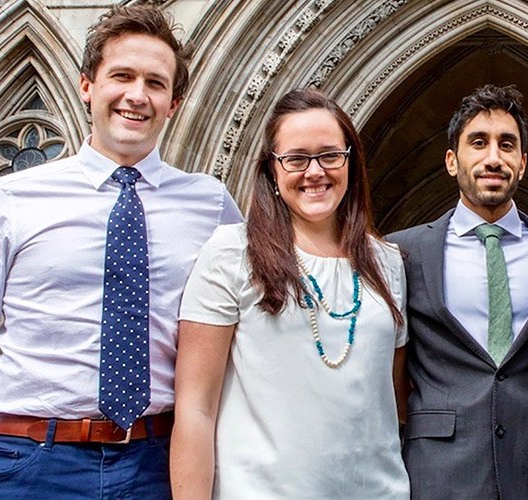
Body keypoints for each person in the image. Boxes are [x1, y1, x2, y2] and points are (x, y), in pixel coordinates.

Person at [0, 5, 242, 497]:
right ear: (87, 86)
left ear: (173, 103)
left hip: (157, 462)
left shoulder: (212, 206)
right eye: (122, 76)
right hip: (29, 463)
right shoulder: (11, 200)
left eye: (155, 83)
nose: (136, 95)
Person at [170, 88, 409, 499]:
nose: (315, 171)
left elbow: (393, 398)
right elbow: (195, 409)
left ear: (351, 162)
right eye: (296, 159)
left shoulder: (387, 263)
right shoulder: (232, 253)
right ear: (272, 170)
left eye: (330, 155)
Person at [387, 84, 528, 499]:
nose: (493, 158)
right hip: (438, 472)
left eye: (507, 144)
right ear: (452, 160)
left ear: (523, 163)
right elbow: (390, 367)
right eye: (478, 142)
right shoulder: (402, 253)